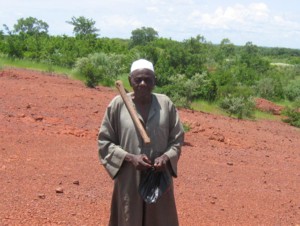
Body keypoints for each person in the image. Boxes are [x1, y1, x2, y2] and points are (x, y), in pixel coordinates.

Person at [98, 59, 184, 226]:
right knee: (129, 217)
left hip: (159, 177)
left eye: (148, 79)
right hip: (129, 176)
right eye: (138, 79)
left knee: (160, 219)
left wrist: (166, 158)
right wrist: (130, 158)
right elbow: (105, 141)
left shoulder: (165, 104)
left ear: (154, 81)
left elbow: (177, 139)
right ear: (130, 80)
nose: (143, 83)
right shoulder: (118, 105)